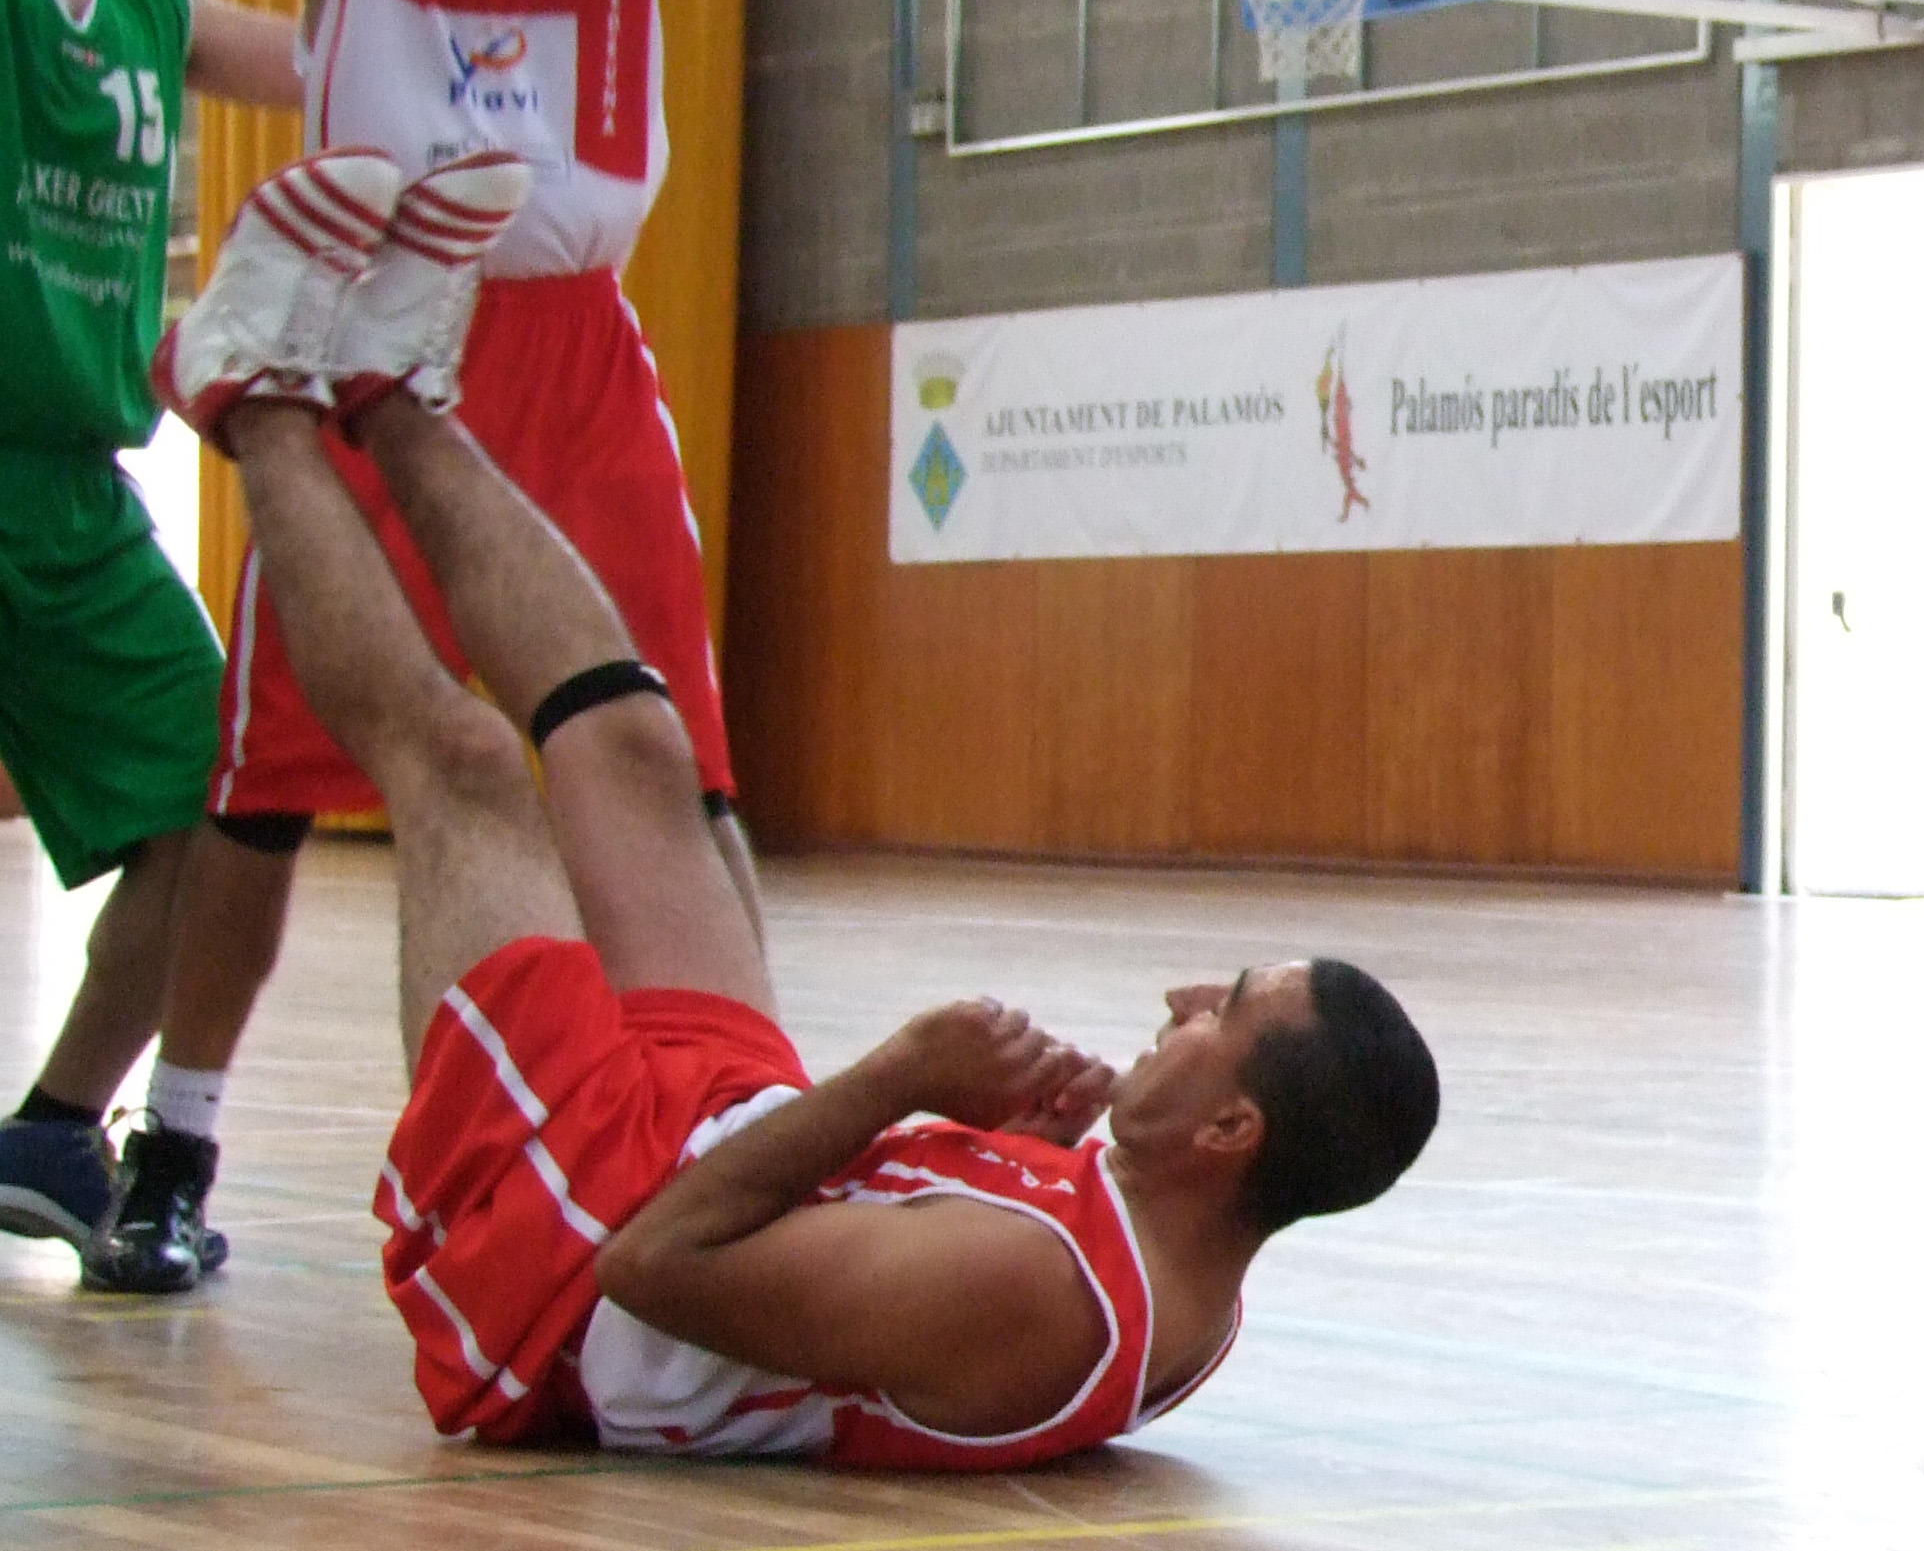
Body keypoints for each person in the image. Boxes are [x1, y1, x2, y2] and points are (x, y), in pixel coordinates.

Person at [154, 146, 1438, 1458]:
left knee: (466, 768)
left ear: (1229, 1129)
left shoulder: (1038, 1294)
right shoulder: (1181, 1262)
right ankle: (387, 386)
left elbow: (651, 1267)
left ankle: (250, 393)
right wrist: (993, 1134)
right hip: (723, 1149)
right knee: (633, 738)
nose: (1179, 1002)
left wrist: (901, 1074)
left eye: (1221, 1010)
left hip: (563, 1260)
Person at [100, 0, 867, 1289]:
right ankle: (174, 1142)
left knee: (673, 755)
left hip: (574, 347)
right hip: (381, 329)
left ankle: (745, 1123)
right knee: (269, 781)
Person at [0, 0, 305, 1287]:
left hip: (69, 492)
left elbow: (331, 60)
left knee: (221, 788)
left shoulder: (139, 2)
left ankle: (57, 1125)